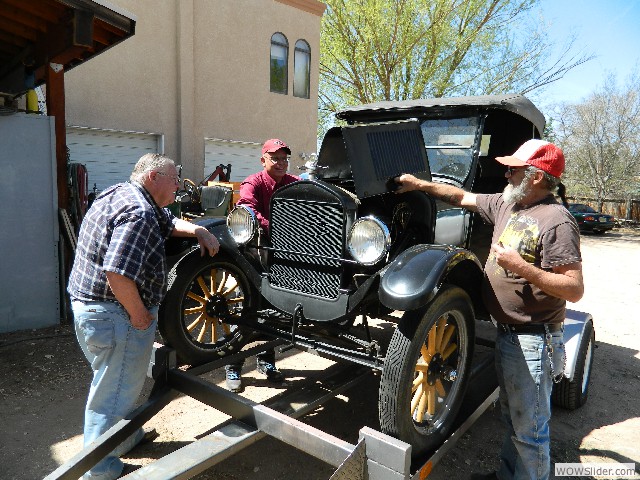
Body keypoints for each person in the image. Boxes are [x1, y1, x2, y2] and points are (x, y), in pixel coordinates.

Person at [394, 139, 584, 480]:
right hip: (509, 333)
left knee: (530, 431)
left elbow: (574, 288)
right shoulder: (506, 204)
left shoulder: (557, 222)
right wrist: (418, 185)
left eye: (515, 169)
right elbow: (459, 196)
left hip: (534, 340)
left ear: (537, 177)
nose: (507, 173)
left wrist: (522, 267)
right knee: (512, 418)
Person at [68, 153, 220, 480]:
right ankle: (100, 471)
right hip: (116, 315)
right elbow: (117, 273)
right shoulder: (139, 214)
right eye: (173, 177)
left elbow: (167, 221)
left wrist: (197, 231)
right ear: (153, 178)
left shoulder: (120, 193)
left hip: (88, 309)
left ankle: (121, 440)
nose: (179, 183)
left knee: (110, 384)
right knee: (112, 395)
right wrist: (138, 315)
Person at [224, 138, 300, 392]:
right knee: (243, 308)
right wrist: (274, 225)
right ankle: (233, 366)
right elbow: (246, 209)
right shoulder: (253, 183)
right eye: (275, 158)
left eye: (284, 158)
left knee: (273, 308)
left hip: (281, 256)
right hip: (253, 255)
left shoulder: (294, 184)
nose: (280, 163)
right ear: (263, 160)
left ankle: (266, 362)